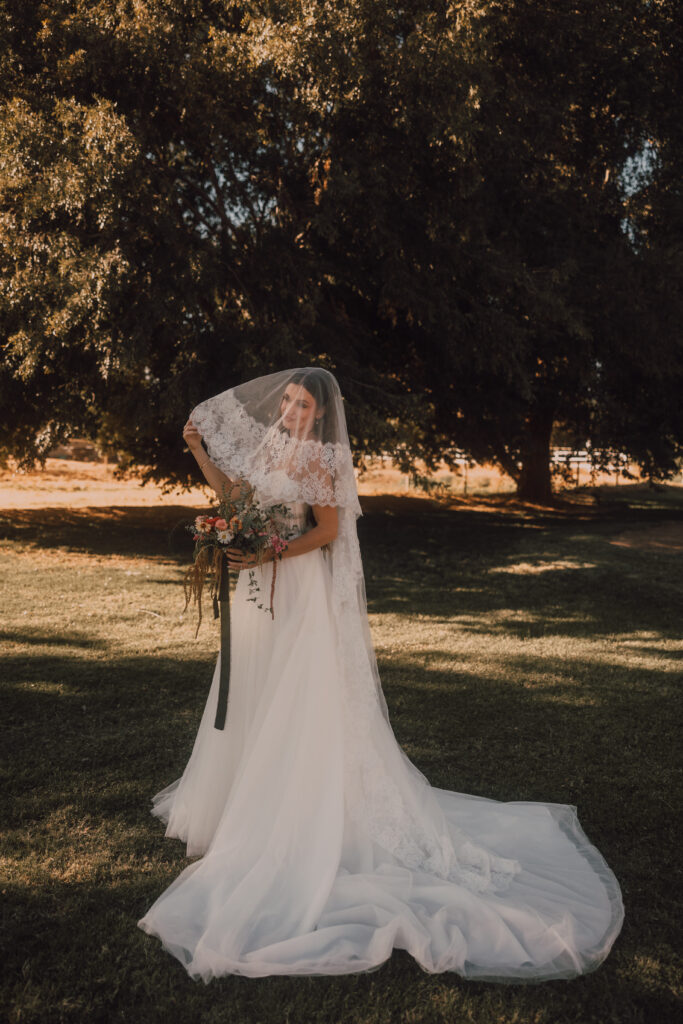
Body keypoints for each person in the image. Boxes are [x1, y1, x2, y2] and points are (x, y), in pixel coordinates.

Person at [137, 367, 624, 981]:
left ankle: (293, 809)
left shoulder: (317, 460)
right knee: (255, 692)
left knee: (298, 702)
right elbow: (237, 499)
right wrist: (197, 452)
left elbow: (330, 530)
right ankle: (237, 802)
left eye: (303, 405)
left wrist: (266, 551)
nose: (291, 411)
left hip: (296, 590)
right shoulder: (270, 446)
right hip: (258, 585)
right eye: (288, 400)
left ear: (321, 414)